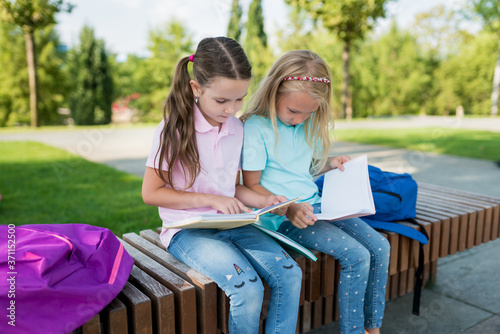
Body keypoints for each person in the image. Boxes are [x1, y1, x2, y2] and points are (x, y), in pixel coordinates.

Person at [141, 37, 302, 334]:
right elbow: (151, 193)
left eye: (240, 99)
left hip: (232, 223)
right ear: (196, 88)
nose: (231, 109)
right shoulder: (173, 129)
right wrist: (211, 200)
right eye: (222, 100)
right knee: (247, 287)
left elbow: (232, 188)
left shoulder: (236, 128)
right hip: (187, 231)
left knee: (290, 273)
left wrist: (263, 200)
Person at [241, 50, 390, 334]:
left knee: (380, 247)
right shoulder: (256, 127)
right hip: (281, 218)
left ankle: (373, 328)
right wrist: (289, 208)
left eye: (308, 113)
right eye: (293, 111)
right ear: (274, 92)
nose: (299, 119)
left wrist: (330, 164)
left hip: (317, 207)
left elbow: (303, 169)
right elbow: (252, 186)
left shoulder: (307, 124)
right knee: (356, 255)